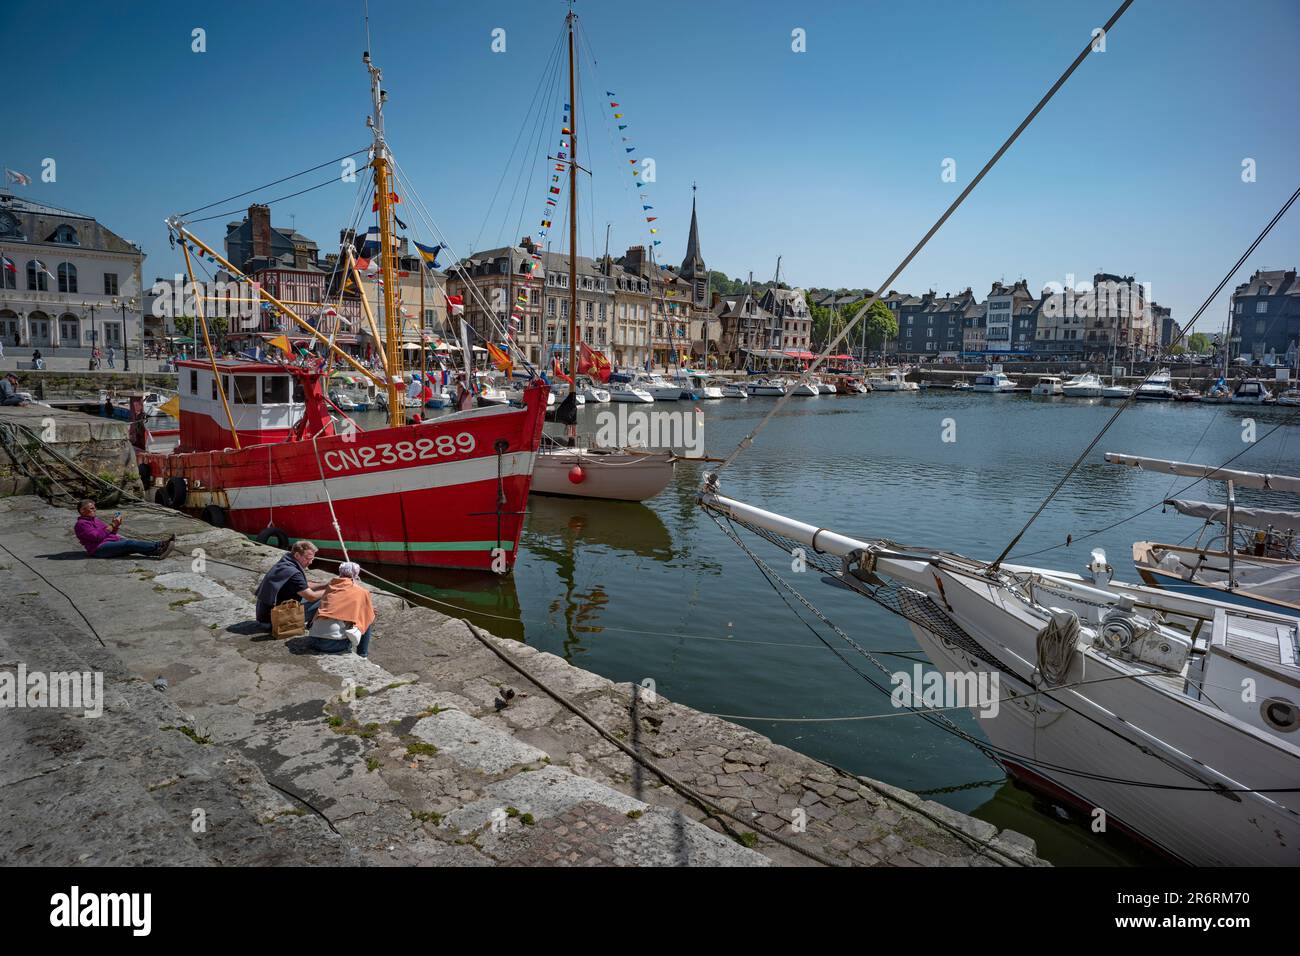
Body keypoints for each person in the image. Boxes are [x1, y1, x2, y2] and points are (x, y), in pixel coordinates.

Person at [307, 562, 375, 657]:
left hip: (313, 640)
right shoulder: (361, 592)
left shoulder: (331, 587)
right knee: (367, 617)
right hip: (333, 645)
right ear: (356, 574)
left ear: (340, 573)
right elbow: (366, 614)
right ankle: (362, 655)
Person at [254, 540, 327, 629]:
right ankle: (313, 626)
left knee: (319, 593)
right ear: (297, 555)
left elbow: (302, 585)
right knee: (326, 597)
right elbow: (311, 597)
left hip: (263, 617)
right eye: (308, 559)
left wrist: (325, 585)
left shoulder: (285, 563)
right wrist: (331, 589)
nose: (310, 562)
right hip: (274, 622)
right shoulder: (293, 573)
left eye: (312, 559)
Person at [74, 499, 174, 558]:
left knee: (132, 545)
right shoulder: (81, 524)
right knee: (129, 544)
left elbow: (110, 533)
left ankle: (157, 552)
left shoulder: (95, 520)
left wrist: (116, 525)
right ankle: (159, 546)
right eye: (91, 508)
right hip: (98, 549)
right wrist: (112, 525)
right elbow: (97, 537)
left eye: (94, 507)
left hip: (108, 542)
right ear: (82, 510)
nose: (94, 510)